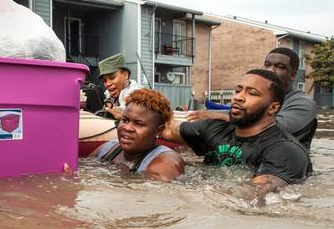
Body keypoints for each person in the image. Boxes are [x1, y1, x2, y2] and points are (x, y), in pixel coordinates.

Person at [162, 69, 311, 192]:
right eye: (238, 90)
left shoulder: (285, 150)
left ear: (273, 108)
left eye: (252, 93)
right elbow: (165, 129)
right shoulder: (215, 129)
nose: (238, 97)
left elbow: (255, 194)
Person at [187, 48, 317, 150]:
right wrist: (197, 115)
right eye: (267, 65)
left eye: (280, 67)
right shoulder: (261, 98)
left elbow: (274, 127)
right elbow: (241, 113)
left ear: (293, 74)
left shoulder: (304, 103)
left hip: (284, 166)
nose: (271, 70)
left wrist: (217, 116)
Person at [92, 88, 184, 182]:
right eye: (125, 120)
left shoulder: (166, 162)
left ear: (158, 131)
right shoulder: (107, 149)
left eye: (138, 123)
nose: (127, 128)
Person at [98, 53, 142, 120]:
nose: (107, 84)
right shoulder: (108, 93)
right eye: (104, 80)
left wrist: (123, 116)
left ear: (125, 75)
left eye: (112, 78)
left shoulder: (136, 93)